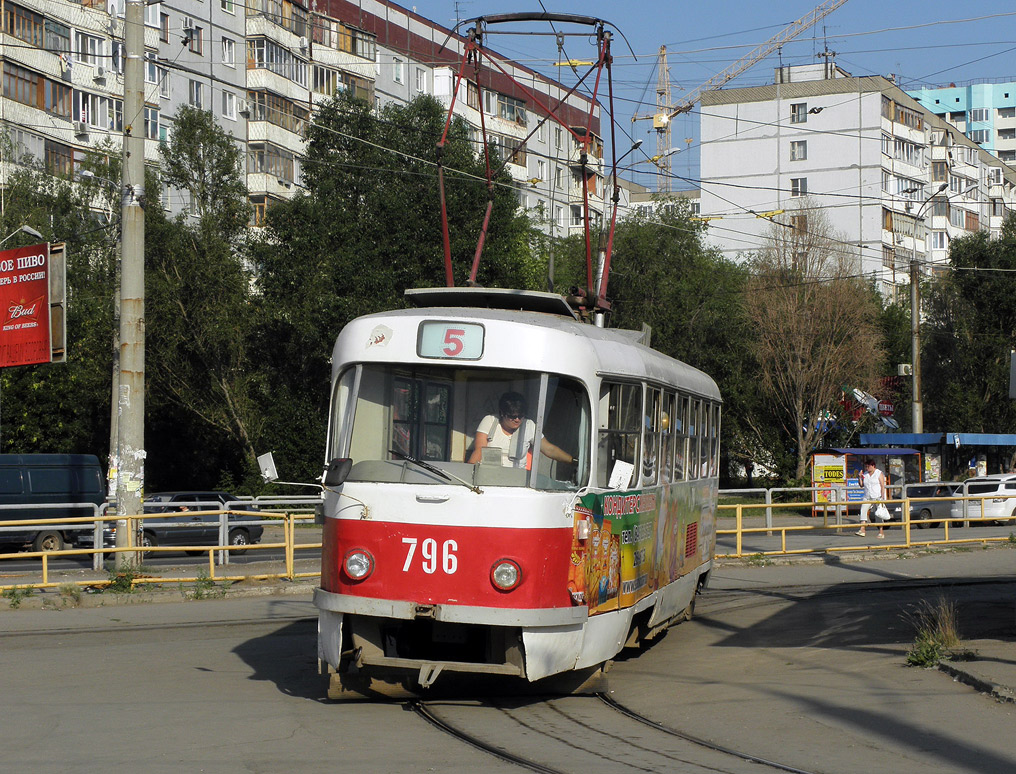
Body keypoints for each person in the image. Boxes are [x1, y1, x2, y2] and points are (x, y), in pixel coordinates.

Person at [467, 391, 576, 469]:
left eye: (521, 416)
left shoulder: (529, 425)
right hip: (489, 474)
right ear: (502, 413)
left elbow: (549, 449)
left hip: (518, 479)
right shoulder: (490, 421)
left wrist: (573, 461)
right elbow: (479, 450)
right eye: (512, 416)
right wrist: (469, 473)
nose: (517, 420)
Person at [856, 457, 887, 538]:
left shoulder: (879, 473)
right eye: (866, 466)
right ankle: (862, 529)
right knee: (863, 510)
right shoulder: (865, 474)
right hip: (867, 496)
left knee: (878, 514)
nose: (867, 468)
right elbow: (861, 485)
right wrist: (860, 477)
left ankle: (881, 532)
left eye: (868, 466)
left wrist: (882, 497)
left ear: (873, 466)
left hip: (877, 496)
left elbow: (882, 486)